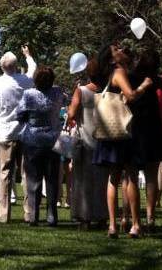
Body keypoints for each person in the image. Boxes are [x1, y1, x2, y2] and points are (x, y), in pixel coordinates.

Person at [93, 43, 152, 239]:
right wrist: (144, 85)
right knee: (131, 176)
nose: (121, 50)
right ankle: (135, 224)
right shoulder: (119, 72)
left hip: (108, 131)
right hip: (122, 132)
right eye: (116, 49)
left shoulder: (106, 75)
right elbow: (131, 95)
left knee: (113, 178)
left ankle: (112, 225)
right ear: (112, 58)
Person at [0, 51, 35, 224]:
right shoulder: (26, 81)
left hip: (4, 132)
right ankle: (29, 212)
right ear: (15, 65)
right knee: (27, 173)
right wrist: (28, 56)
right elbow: (33, 70)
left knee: (4, 173)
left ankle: (4, 213)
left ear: (1, 66)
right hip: (24, 132)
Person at [14, 65, 65, 227]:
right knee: (52, 180)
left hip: (33, 141)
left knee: (33, 181)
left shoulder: (28, 95)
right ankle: (52, 216)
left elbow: (19, 115)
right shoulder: (57, 93)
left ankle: (34, 216)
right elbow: (66, 102)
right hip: (52, 141)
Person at [130, 50, 162, 231]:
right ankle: (150, 216)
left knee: (130, 176)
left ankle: (129, 216)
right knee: (151, 176)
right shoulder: (156, 81)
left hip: (135, 128)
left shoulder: (131, 78)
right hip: (154, 128)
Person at [67, 55, 109, 229]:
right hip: (103, 141)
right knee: (102, 182)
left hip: (85, 139)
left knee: (82, 181)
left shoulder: (81, 91)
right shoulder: (107, 91)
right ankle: (101, 215)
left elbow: (71, 113)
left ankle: (84, 217)